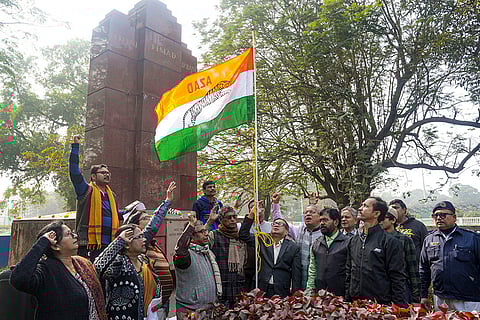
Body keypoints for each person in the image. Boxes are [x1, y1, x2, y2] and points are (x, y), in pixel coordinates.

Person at [95, 181, 175, 320]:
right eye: (139, 237)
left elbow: (154, 225)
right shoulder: (119, 263)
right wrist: (118, 241)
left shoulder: (143, 260)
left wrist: (167, 201)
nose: (144, 240)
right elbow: (97, 267)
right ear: (127, 242)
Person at [10, 221, 107, 320]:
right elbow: (19, 278)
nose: (75, 236)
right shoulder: (46, 270)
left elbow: (101, 267)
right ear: (55, 246)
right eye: (68, 234)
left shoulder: (82, 264)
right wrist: (43, 242)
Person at [419, 201, 480, 312]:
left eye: (443, 215)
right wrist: (423, 295)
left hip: (468, 299)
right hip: (441, 298)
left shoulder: (472, 238)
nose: (439, 218)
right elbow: (424, 270)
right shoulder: (429, 239)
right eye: (435, 215)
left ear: (454, 218)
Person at [345, 197, 407, 305]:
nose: (360, 209)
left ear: (377, 213)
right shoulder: (354, 241)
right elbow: (349, 271)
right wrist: (347, 300)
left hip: (379, 304)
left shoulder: (390, 242)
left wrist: (398, 307)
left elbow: (397, 277)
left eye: (365, 206)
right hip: (355, 303)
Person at [69, 135, 121, 260]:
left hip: (110, 245)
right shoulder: (86, 190)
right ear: (93, 177)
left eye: (108, 173)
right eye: (103, 173)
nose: (107, 175)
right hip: (89, 245)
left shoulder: (112, 195)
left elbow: (115, 213)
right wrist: (75, 146)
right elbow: (74, 172)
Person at [125, 203, 175, 320]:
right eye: (145, 218)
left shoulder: (152, 244)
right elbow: (153, 226)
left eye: (149, 217)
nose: (149, 220)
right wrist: (167, 201)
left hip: (162, 300)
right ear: (135, 225)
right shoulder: (140, 243)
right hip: (151, 305)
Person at [239, 206, 302, 297]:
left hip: (281, 290)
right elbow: (243, 235)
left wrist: (295, 295)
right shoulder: (262, 239)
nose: (276, 225)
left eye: (280, 224)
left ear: (286, 232)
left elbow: (296, 274)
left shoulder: (293, 247)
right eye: (274, 223)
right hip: (261, 287)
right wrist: (251, 215)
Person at [173, 214, 222, 320]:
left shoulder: (207, 252)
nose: (206, 234)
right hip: (190, 311)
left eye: (206, 231)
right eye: (201, 232)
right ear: (191, 235)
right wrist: (190, 225)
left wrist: (210, 221)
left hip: (208, 310)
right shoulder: (185, 256)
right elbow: (180, 249)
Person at [207, 206, 247, 308]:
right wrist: (210, 222)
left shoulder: (241, 237)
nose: (233, 220)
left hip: (239, 285)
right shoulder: (214, 235)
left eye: (234, 217)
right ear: (221, 220)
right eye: (229, 217)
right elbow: (199, 241)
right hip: (220, 285)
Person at [380, 207, 420, 303]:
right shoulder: (376, 240)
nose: (380, 222)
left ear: (393, 220)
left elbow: (412, 269)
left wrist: (416, 295)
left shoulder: (404, 240)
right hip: (380, 287)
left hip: (401, 287)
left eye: (383, 218)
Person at [306, 208, 349, 297]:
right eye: (320, 220)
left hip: (340, 296)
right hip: (320, 296)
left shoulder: (348, 243)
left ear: (336, 222)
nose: (322, 223)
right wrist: (309, 290)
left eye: (325, 220)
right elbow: (312, 270)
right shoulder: (316, 244)